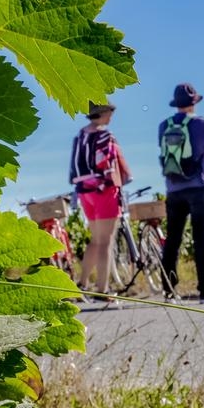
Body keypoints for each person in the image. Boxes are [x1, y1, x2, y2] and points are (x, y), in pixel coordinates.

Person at [158, 82, 204, 303]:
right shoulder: (202, 124)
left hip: (174, 189)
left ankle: (168, 291)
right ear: (194, 102)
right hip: (199, 187)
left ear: (176, 104)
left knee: (173, 240)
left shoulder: (163, 125)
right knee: (201, 239)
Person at [70, 101, 130, 302]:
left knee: (95, 240)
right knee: (106, 241)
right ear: (103, 113)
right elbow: (111, 164)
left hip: (85, 192)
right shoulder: (105, 136)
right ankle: (102, 289)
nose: (111, 116)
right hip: (104, 190)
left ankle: (83, 284)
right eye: (110, 112)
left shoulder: (80, 136)